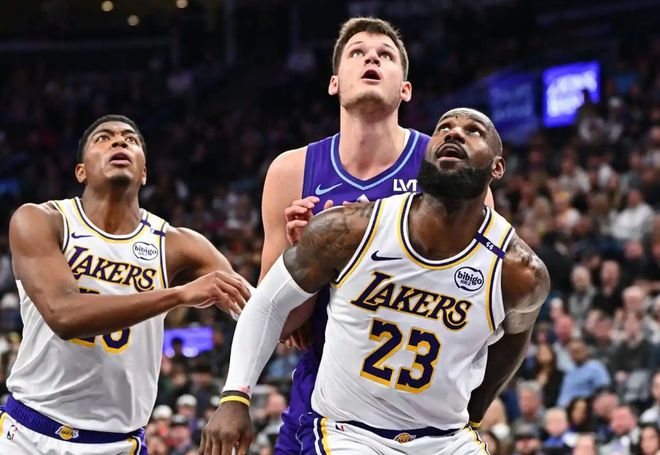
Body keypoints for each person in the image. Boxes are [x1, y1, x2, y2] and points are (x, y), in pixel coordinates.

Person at [201, 108, 550, 455]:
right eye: (443, 127)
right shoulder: (351, 228)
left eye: (473, 131)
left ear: (497, 168)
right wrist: (235, 397)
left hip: (446, 438)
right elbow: (267, 304)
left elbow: (515, 338)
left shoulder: (519, 271)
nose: (454, 132)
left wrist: (475, 414)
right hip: (349, 433)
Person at [258, 17, 494, 454]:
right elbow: (280, 323)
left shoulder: (449, 165)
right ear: (334, 83)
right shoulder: (291, 171)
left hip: (424, 399)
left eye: (385, 55)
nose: (371, 58)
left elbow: (476, 295)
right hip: (328, 393)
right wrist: (303, 255)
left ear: (405, 89)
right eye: (357, 53)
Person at [0, 114, 251, 454]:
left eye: (130, 140)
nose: (119, 141)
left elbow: (260, 316)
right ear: (81, 171)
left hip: (118, 443)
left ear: (144, 172)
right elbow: (64, 315)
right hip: (27, 435)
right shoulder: (42, 220)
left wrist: (235, 397)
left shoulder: (178, 245)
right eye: (103, 138)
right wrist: (176, 295)